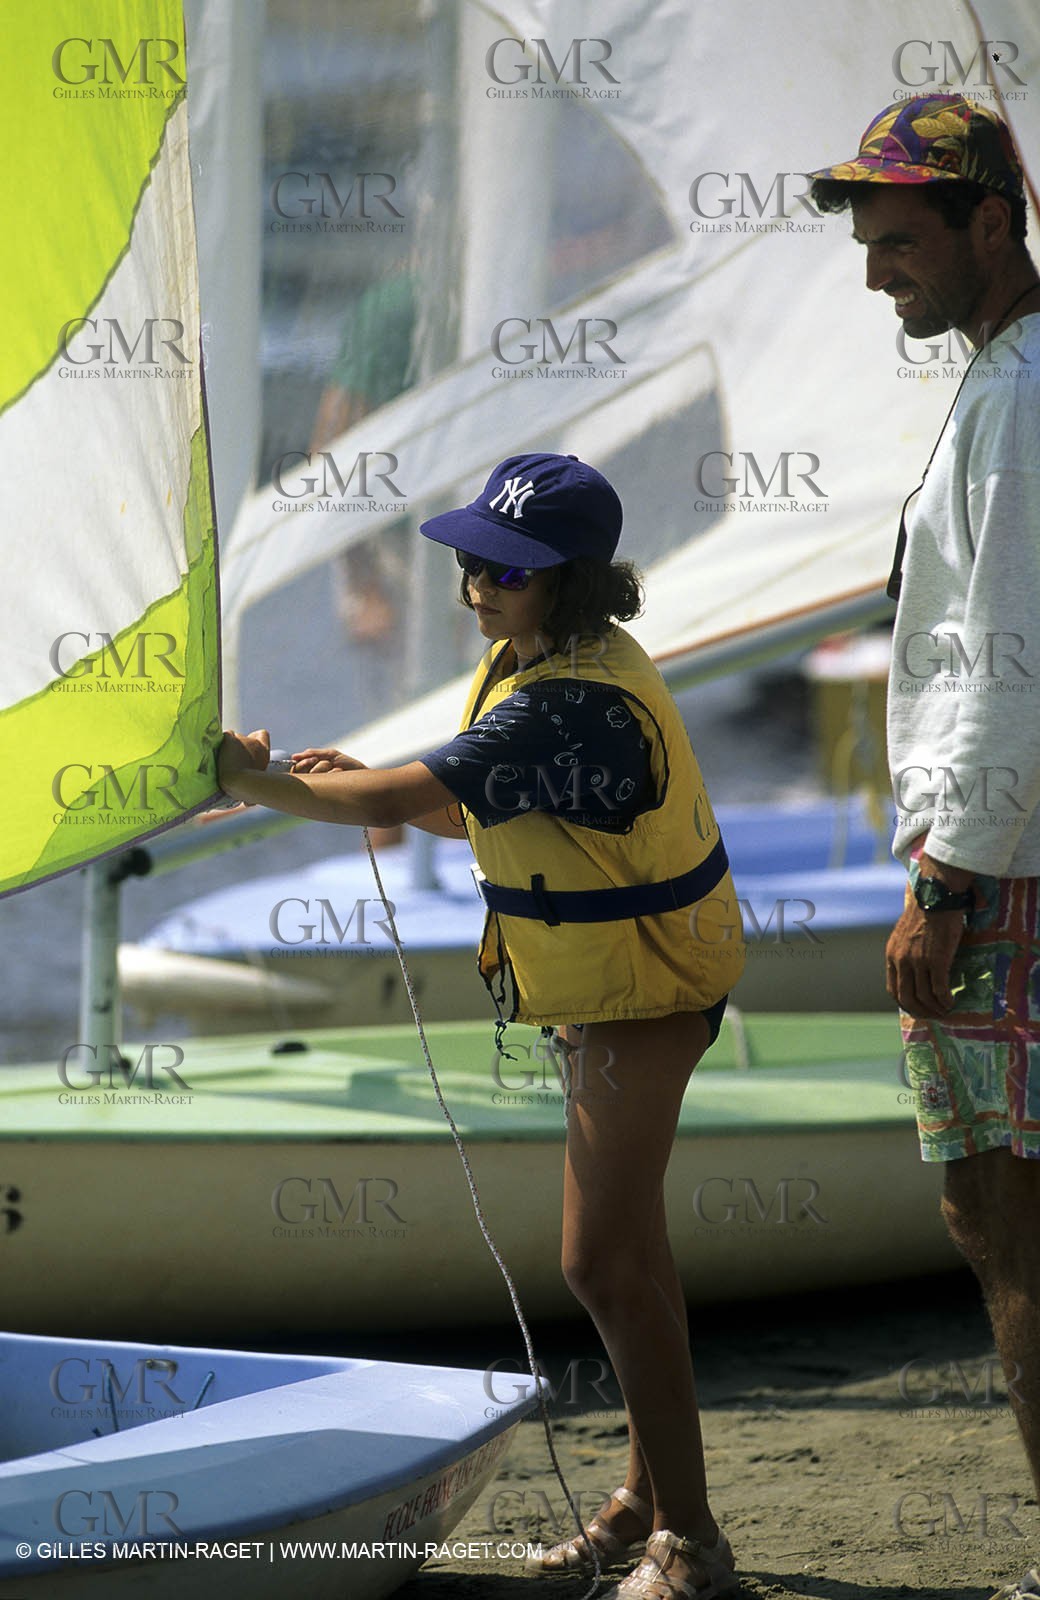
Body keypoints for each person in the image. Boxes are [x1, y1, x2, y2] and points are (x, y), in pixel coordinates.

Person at [218, 451, 745, 1599]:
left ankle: (693, 1543)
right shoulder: (535, 662)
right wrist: (386, 783)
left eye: (506, 569)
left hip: (644, 995)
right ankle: (646, 1500)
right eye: (467, 562)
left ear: (572, 578)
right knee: (633, 1255)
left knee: (596, 1259)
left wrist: (248, 779)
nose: (476, 586)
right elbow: (494, 809)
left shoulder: (570, 698)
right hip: (614, 983)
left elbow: (404, 803)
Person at [809, 96, 1040, 1600]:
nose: (879, 271)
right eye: (869, 244)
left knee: (999, 1216)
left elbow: (1014, 654)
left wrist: (946, 882)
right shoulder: (1003, 381)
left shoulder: (1020, 393)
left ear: (992, 221)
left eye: (903, 240)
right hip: (1006, 850)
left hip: (1005, 869)